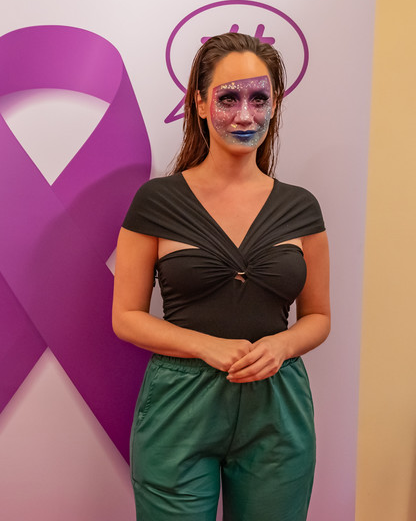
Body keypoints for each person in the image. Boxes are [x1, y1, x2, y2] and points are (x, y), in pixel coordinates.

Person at [112, 32, 330, 521]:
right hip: (180, 401)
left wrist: (282, 345)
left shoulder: (301, 207)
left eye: (259, 99)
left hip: (277, 400)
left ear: (275, 104)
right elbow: (125, 317)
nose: (245, 115)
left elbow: (318, 316)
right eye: (228, 99)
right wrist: (205, 346)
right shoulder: (156, 201)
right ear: (199, 104)